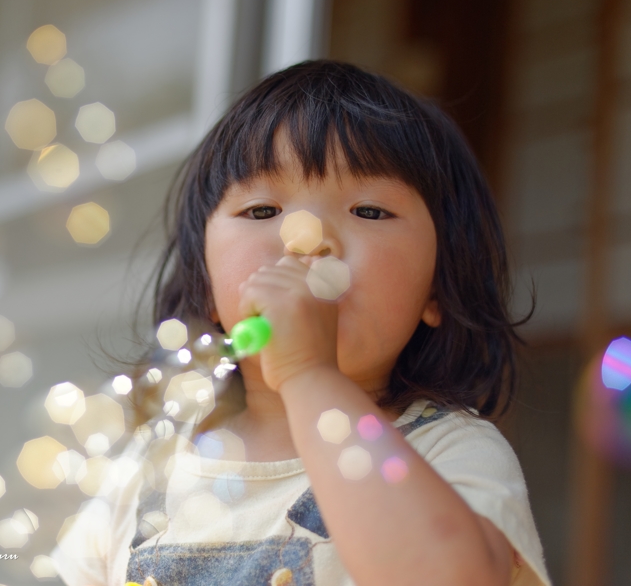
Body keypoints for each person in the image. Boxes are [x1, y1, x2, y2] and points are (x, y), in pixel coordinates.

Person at [53, 60, 550, 586]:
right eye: (263, 211)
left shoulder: (447, 450)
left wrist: (310, 375)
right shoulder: (149, 469)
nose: (305, 238)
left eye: (370, 211)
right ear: (207, 288)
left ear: (437, 289)